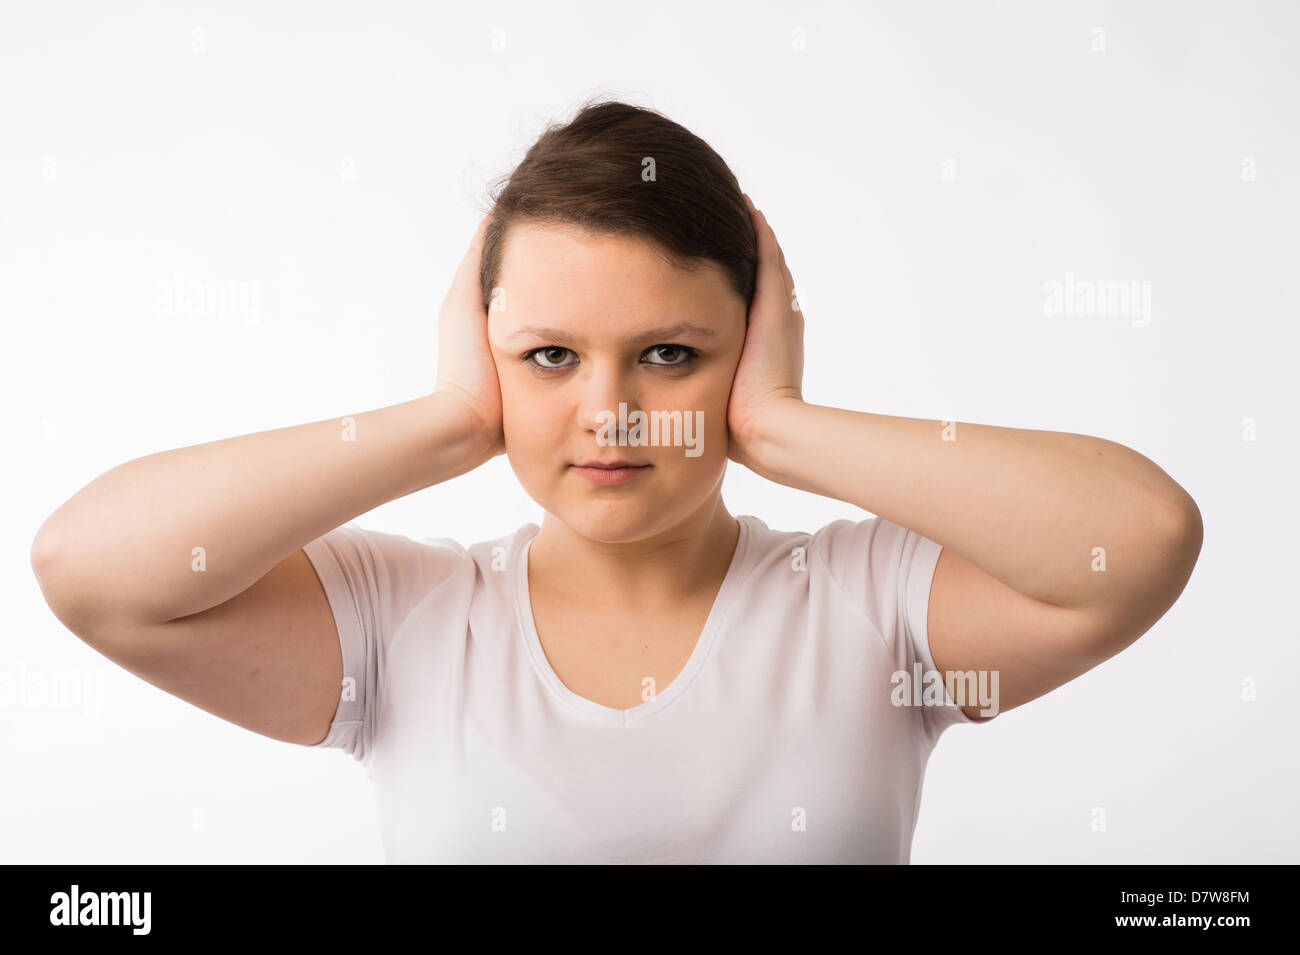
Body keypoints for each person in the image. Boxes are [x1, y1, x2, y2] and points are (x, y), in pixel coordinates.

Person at [30, 98, 1203, 863]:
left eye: (669, 353)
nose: (611, 413)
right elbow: (93, 571)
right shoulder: (405, 624)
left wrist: (783, 428)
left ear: (749, 344)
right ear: (488, 350)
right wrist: (448, 423)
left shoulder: (874, 605)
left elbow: (1140, 538)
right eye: (550, 355)